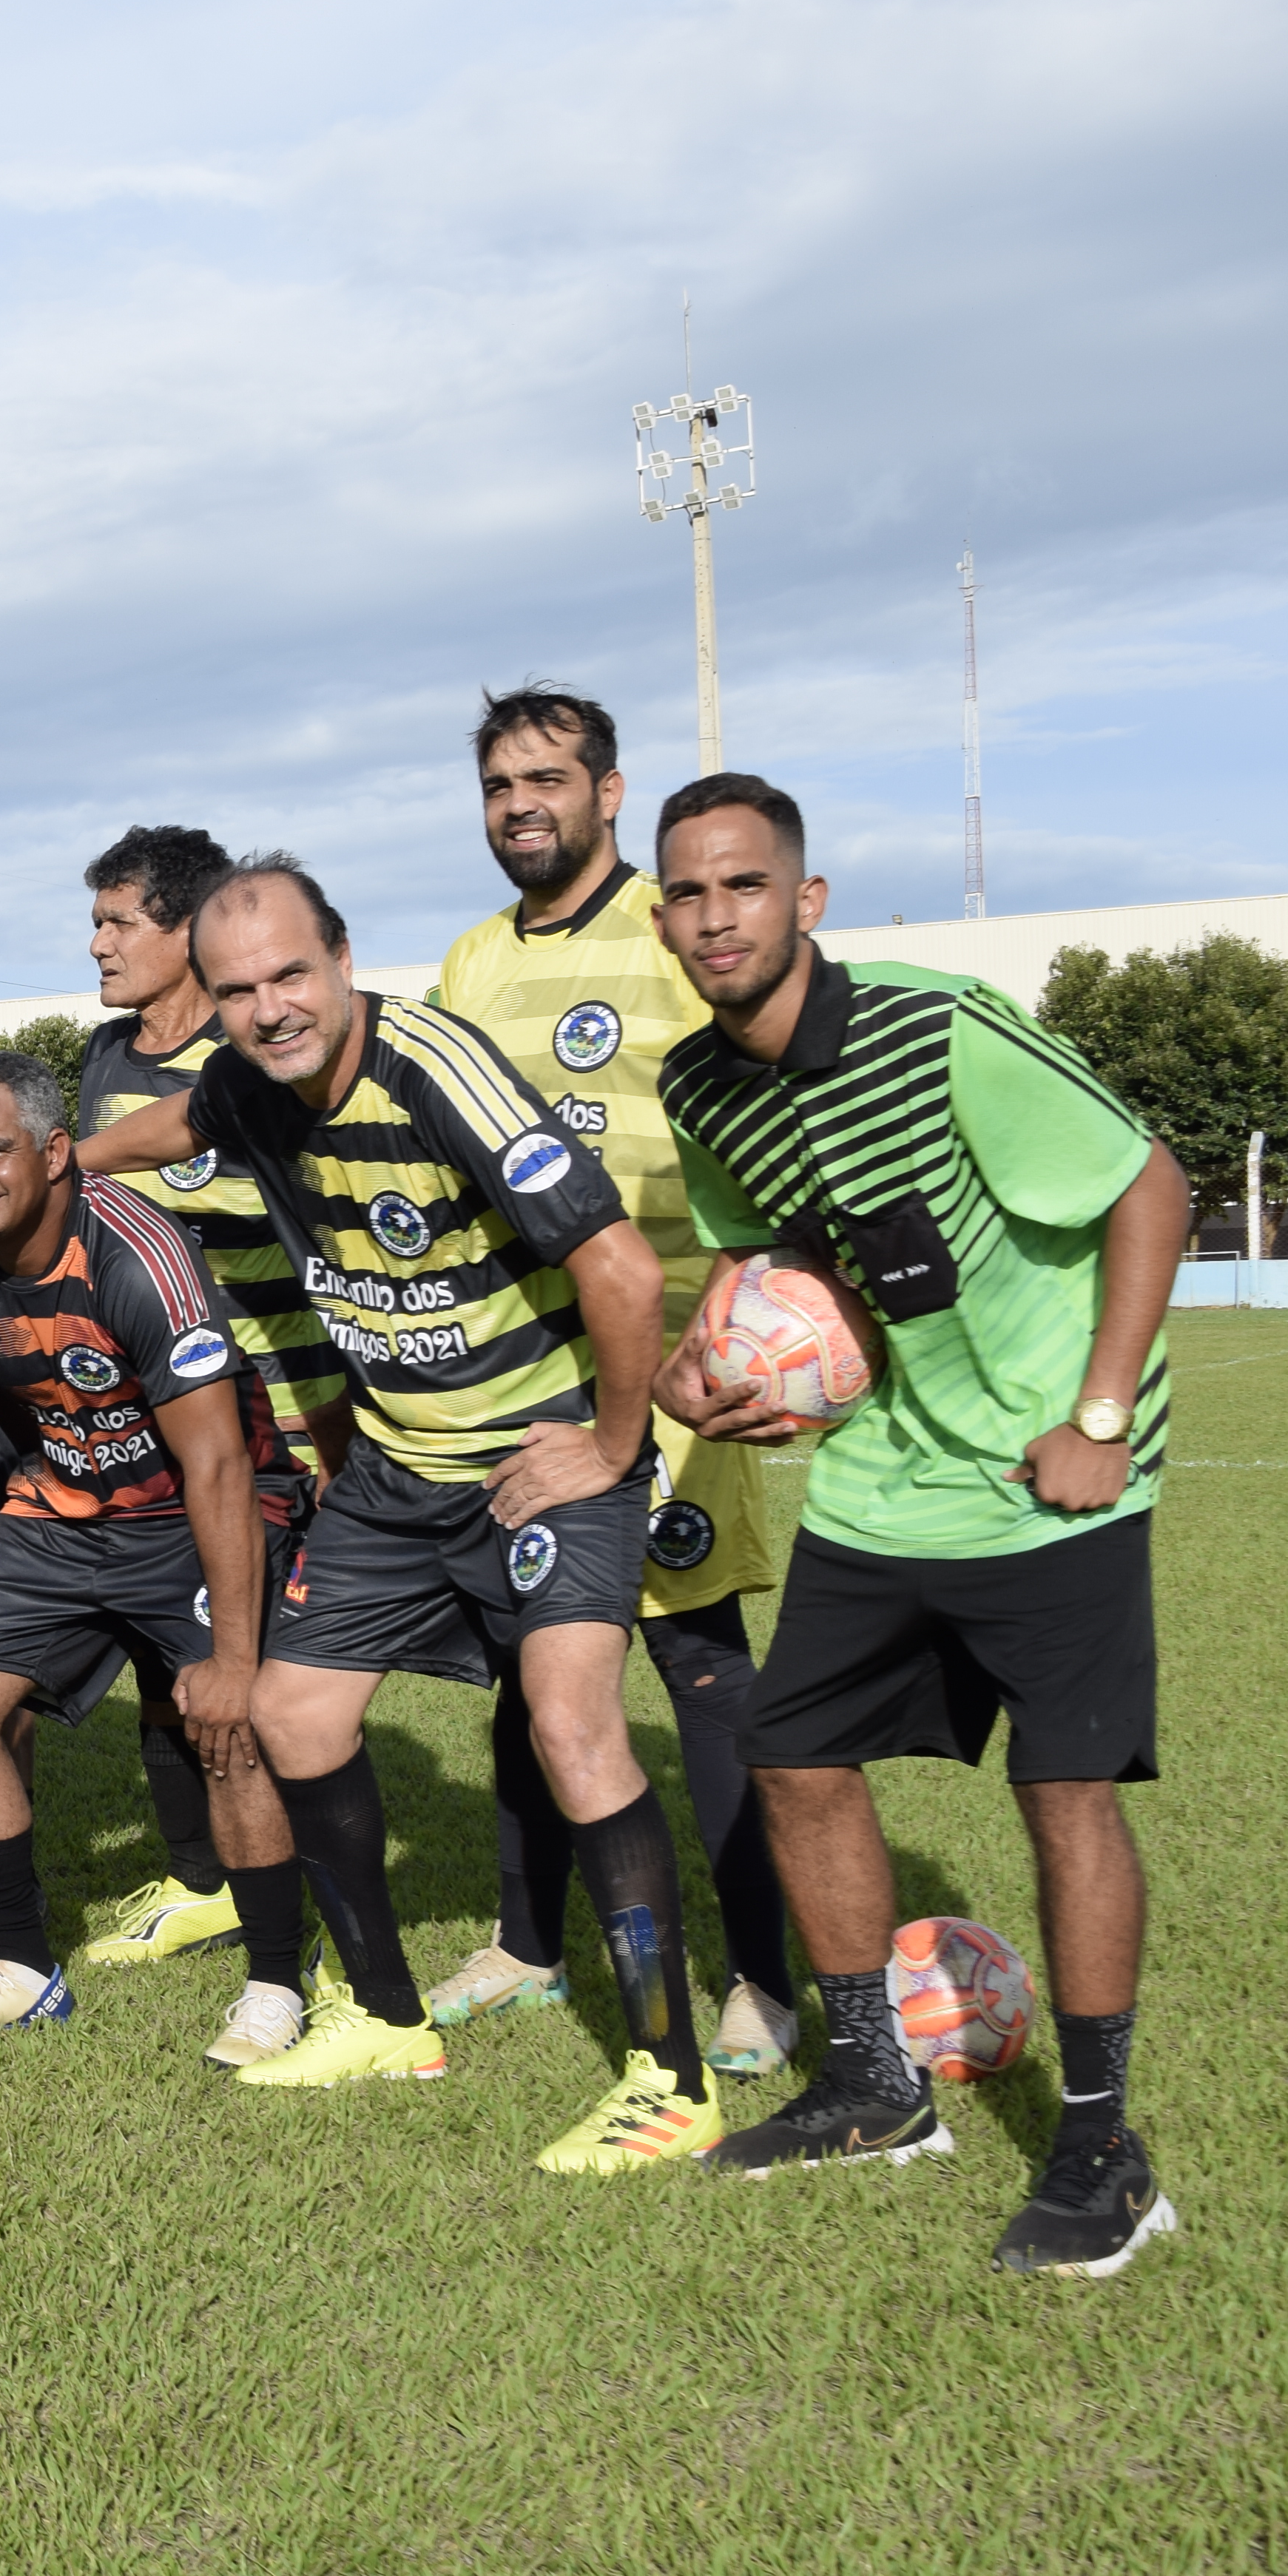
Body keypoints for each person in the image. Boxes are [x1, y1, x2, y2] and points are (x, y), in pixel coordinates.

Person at [73, 856, 717, 2175]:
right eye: (240, 988)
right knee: (295, 1716)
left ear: (345, 956)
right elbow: (181, 1125)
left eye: (292, 976)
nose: (270, 1010)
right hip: (393, 1469)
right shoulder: (245, 1080)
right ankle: (383, 2019)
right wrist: (62, 1161)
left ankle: (670, 2077)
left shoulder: (437, 1068)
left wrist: (611, 1445)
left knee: (573, 1726)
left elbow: (621, 1263)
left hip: (536, 1458)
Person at [649, 775, 1188, 2276]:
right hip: (885, 1473)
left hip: (1048, 1473)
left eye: (744, 885)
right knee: (795, 1758)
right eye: (689, 894)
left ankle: (1100, 2143)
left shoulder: (934, 1025)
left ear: (804, 901)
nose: (716, 916)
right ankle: (880, 2089)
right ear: (662, 919)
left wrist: (1093, 1415)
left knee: (1064, 1792)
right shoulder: (702, 1085)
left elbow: (1153, 1182)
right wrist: (717, 1357)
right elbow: (770, 1247)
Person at [426, 689, 803, 2075]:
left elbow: (761, 1137)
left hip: (679, 1378)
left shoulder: (672, 936)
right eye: (498, 785)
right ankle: (529, 1946)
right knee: (532, 1671)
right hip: (519, 1383)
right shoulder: (467, 965)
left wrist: (764, 1316)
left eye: (547, 778)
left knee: (701, 1668)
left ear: (607, 789)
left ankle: (762, 1979)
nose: (521, 803)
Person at [0, 1056, 319, 2064]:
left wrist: (237, 1660)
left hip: (198, 1512)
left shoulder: (136, 1253)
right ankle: (24, 1971)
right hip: (58, 1516)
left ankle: (280, 1983)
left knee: (231, 1729)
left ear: (55, 1151)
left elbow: (213, 1463)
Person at [70, 825, 351, 1969]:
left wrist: (335, 1427)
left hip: (282, 1403)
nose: (97, 945)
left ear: (186, 930)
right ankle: (203, 1878)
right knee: (167, 1656)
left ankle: (306, 1889)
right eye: (95, 922)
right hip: (145, 1415)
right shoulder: (102, 1060)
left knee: (279, 1666)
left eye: (116, 922)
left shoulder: (260, 1054)